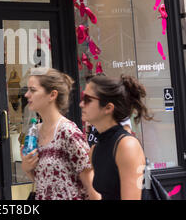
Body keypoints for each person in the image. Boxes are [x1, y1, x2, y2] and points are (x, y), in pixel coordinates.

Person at [20, 67, 99, 200]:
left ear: (52, 95)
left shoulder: (68, 132)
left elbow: (91, 185)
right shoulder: (35, 132)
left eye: (33, 90)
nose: (27, 94)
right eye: (28, 90)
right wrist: (27, 168)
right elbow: (44, 182)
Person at [80, 74, 153, 200]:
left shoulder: (126, 145)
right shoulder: (96, 148)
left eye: (87, 99)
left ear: (108, 108)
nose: (81, 104)